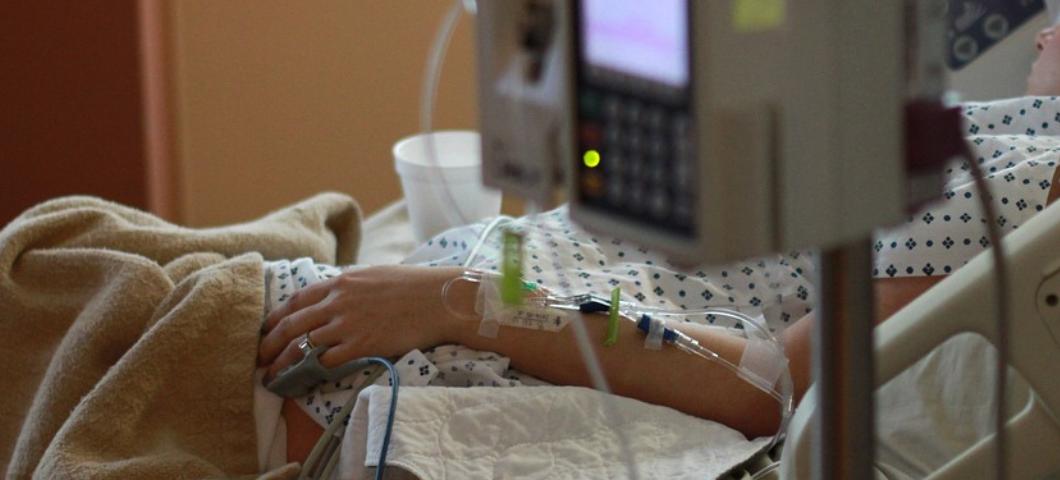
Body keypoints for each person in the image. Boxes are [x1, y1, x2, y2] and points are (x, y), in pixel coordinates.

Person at [258, 26, 1060, 465]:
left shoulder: (1030, 178)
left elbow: (768, 387)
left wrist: (467, 305)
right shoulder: (971, 127)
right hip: (454, 284)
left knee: (194, 348)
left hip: (457, 352)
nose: (1045, 29)